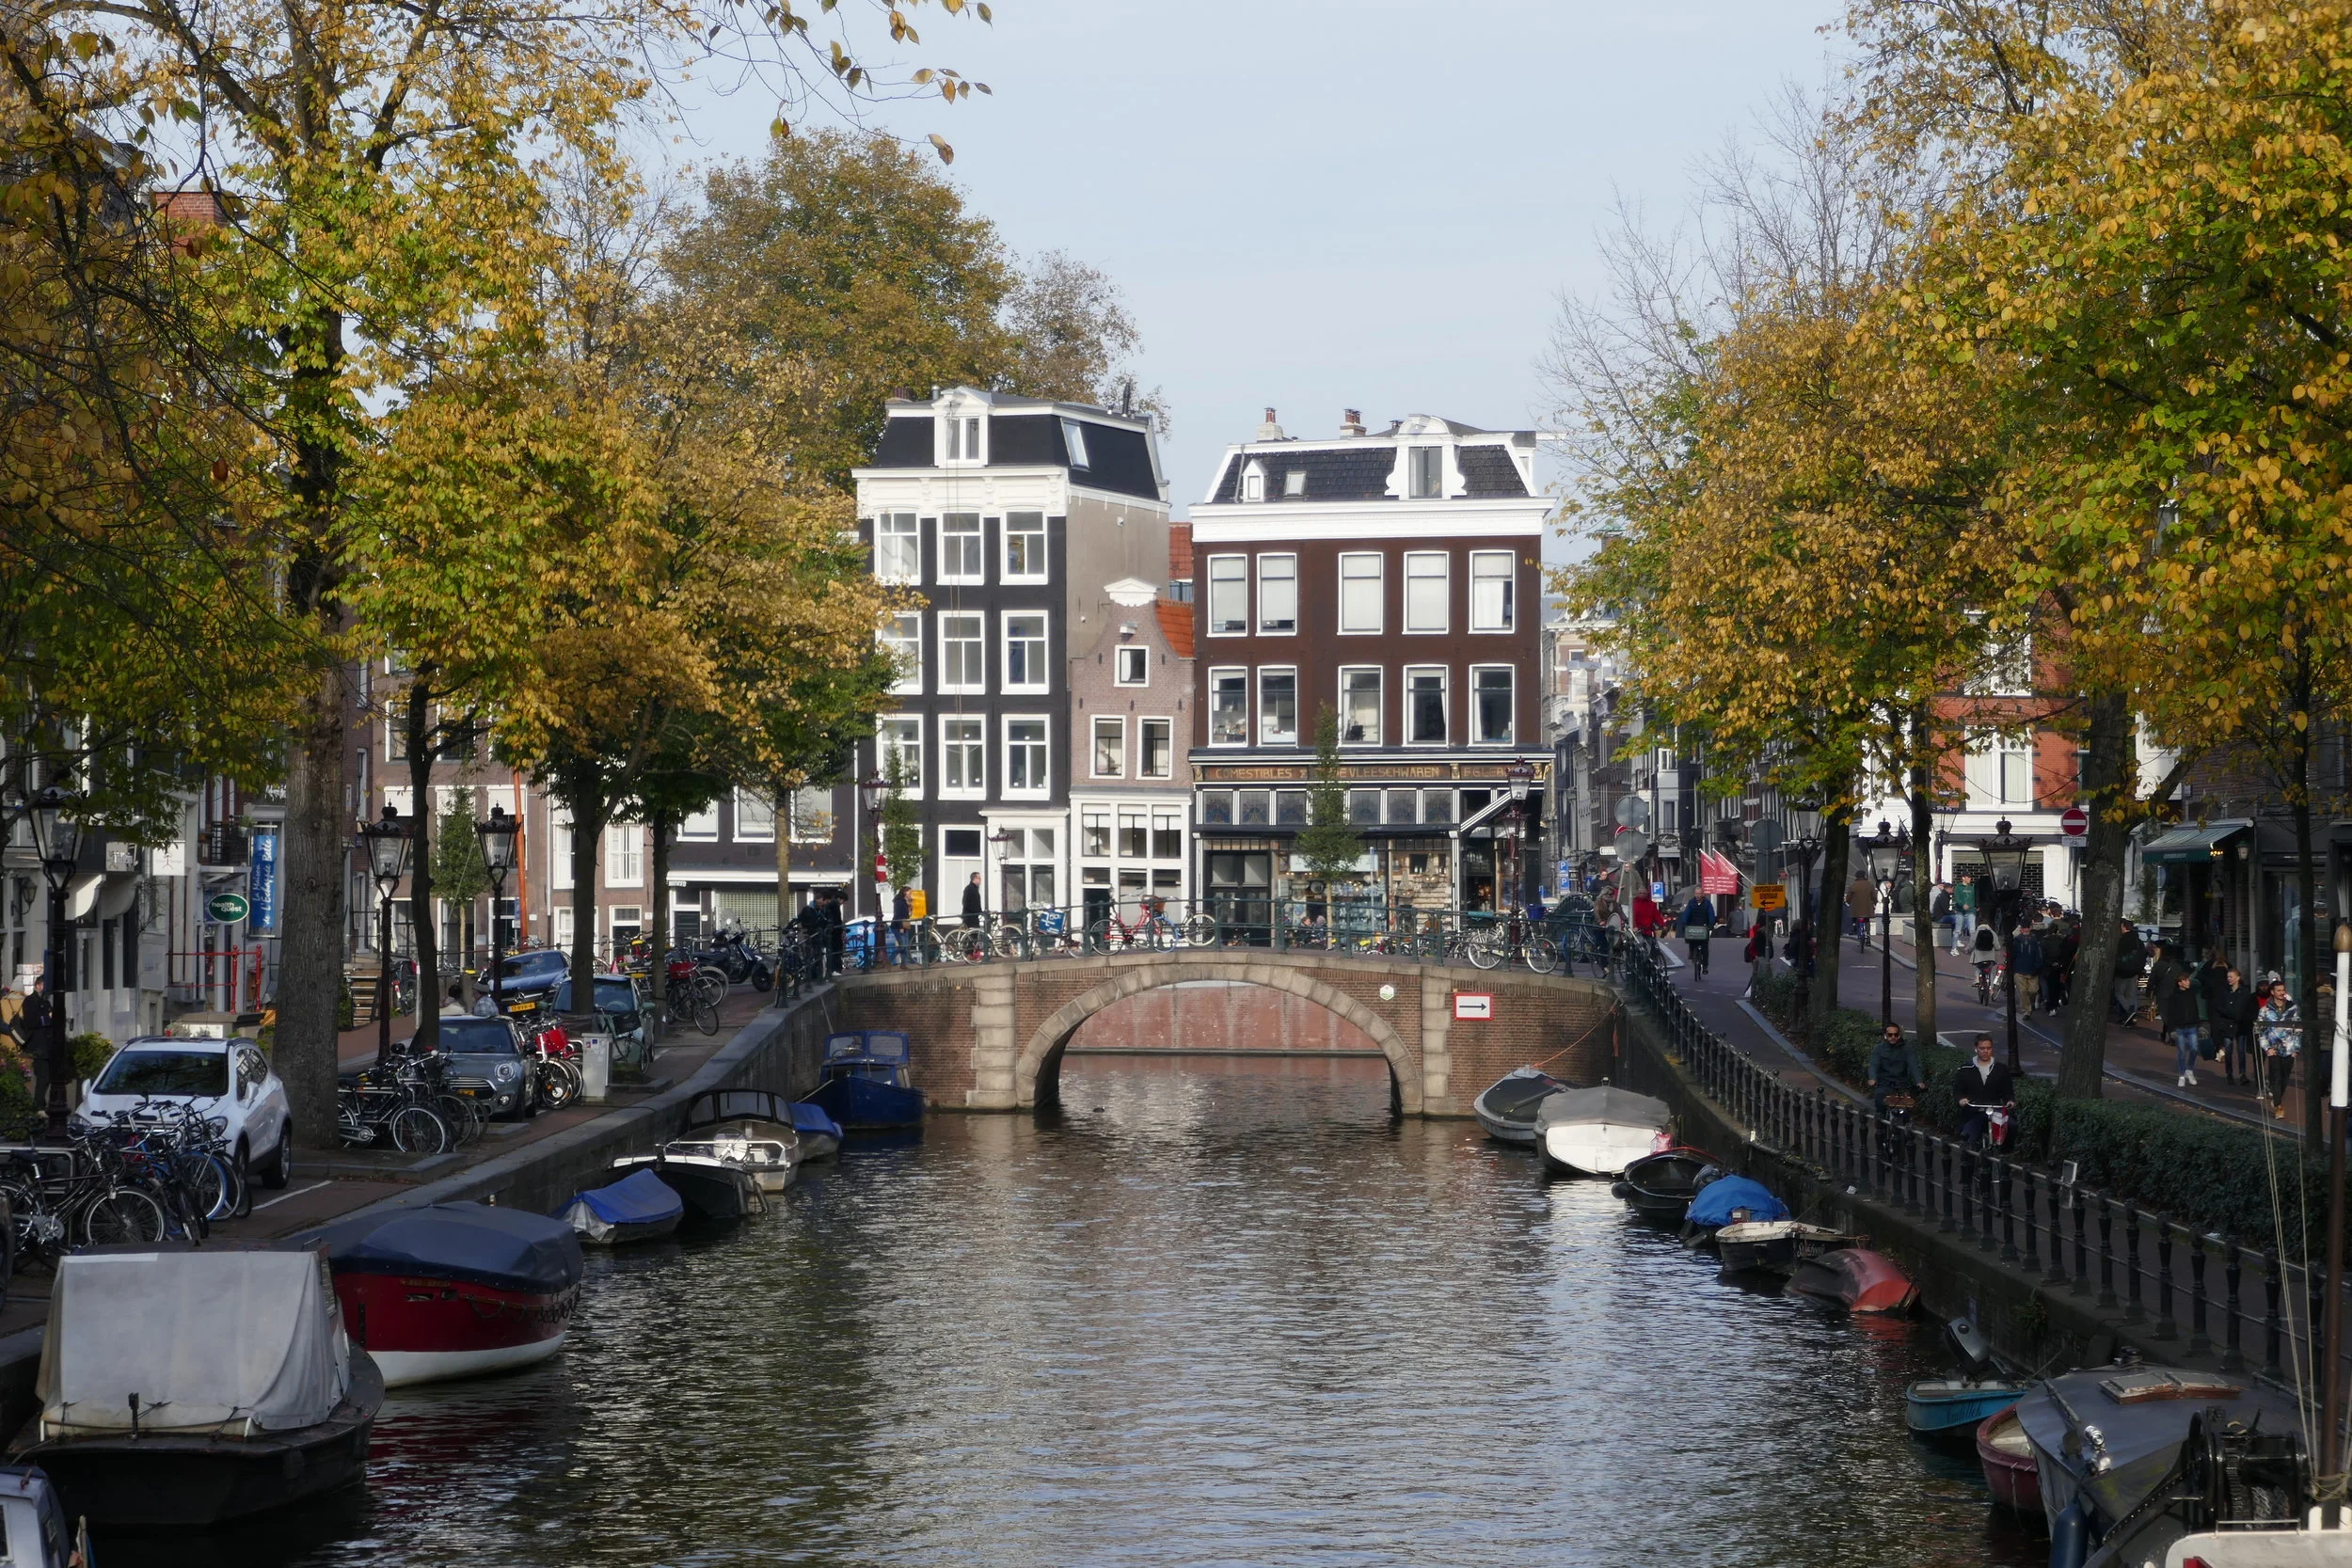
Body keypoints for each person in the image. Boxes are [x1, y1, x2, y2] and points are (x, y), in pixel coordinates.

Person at [1952, 1034, 2017, 1148]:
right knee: (1968, 1138)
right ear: (1975, 1049)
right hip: (1973, 1112)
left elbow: (2008, 1091)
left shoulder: (2001, 1069)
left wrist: (2010, 1101)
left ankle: (2004, 1157)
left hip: (1995, 1111)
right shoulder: (1965, 1069)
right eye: (1982, 1048)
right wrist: (1961, 1100)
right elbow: (1957, 1090)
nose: (1985, 1051)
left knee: (2012, 1126)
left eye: (1988, 1048)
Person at [2258, 977, 2301, 1117]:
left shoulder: (2292, 1008)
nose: (2282, 993)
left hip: (2289, 1048)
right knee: (2275, 1076)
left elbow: (2298, 1029)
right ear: (2272, 992)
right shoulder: (2264, 1011)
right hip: (2273, 1048)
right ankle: (2278, 1106)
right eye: (2279, 990)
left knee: (2285, 1077)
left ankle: (2277, 1099)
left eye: (2283, 990)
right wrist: (2267, 1048)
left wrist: (2296, 1048)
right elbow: (2260, 1031)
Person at [2211, 965, 2260, 1086]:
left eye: (2231, 977)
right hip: (2227, 1024)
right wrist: (2226, 1013)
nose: (2229, 979)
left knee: (2241, 1050)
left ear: (2238, 978)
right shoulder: (2223, 991)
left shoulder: (2245, 992)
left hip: (2240, 1025)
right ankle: (2229, 1074)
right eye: (2228, 977)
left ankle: (2242, 1074)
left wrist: (2243, 1017)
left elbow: (2248, 1007)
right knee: (2228, 1050)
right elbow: (2217, 1006)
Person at [1867, 1022, 1924, 1116]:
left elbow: (1914, 1065)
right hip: (1884, 1084)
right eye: (1890, 1035)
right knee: (1880, 1103)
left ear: (1899, 1035)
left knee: (1906, 1109)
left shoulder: (1907, 1049)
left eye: (1896, 1034)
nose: (1893, 1037)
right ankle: (1881, 1128)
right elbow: (1874, 1064)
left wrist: (1919, 1081)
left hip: (1901, 1084)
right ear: (1885, 1036)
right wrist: (1872, 1078)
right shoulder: (1878, 1049)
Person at [2158, 969, 2203, 1086]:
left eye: (2188, 980)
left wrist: (2199, 1025)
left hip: (2192, 1025)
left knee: (2194, 1048)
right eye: (2185, 980)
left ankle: (2189, 1070)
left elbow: (2195, 1009)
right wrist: (2171, 1030)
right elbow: (2170, 1014)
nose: (2188, 982)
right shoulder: (2173, 997)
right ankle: (2182, 1075)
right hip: (2179, 1027)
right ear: (2180, 983)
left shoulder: (2191, 994)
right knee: (2182, 1052)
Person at [2112, 923, 2149, 1024]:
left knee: (2119, 993)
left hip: (2121, 970)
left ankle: (2130, 1011)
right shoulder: (2138, 941)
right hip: (2135, 971)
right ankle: (2131, 1018)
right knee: (2130, 994)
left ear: (2124, 927)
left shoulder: (2121, 940)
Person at [2010, 924, 2044, 1013]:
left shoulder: (2035, 941)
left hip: (2032, 970)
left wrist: (2037, 966)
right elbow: (2013, 954)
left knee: (2033, 991)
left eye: (2027, 928)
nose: (2026, 930)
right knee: (2023, 991)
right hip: (2019, 970)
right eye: (2024, 928)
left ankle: (2029, 1004)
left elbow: (2039, 955)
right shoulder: (2016, 941)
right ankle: (2027, 1011)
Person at [1679, 891, 1715, 976]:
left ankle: (1705, 967)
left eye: (1699, 894)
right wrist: (1684, 923)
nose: (1697, 895)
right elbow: (1686, 913)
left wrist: (1711, 924)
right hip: (1693, 925)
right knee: (1691, 939)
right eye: (1696, 893)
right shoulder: (1691, 902)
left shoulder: (1707, 903)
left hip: (1704, 926)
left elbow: (1711, 914)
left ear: (1703, 894)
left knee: (1705, 947)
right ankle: (1691, 952)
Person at [1848, 872, 1877, 952]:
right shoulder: (1870, 885)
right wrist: (1875, 903)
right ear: (1864, 876)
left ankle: (1854, 927)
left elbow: (1848, 898)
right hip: (1867, 908)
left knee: (1855, 917)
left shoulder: (1853, 885)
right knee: (1867, 920)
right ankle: (1868, 936)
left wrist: (1849, 902)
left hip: (1856, 909)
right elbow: (1874, 896)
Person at [1971, 919, 2000, 999]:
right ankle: (1991, 989)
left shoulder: (1976, 933)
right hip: (1990, 958)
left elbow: (1971, 945)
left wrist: (1968, 950)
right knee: (1990, 972)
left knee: (1977, 967)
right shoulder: (1992, 933)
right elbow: (1997, 947)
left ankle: (1977, 979)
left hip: (1979, 957)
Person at [1952, 878, 1979, 956]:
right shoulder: (1958, 887)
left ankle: (1971, 949)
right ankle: (1953, 948)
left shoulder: (1971, 888)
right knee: (1957, 930)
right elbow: (1957, 898)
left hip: (1971, 911)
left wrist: (1976, 906)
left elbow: (1974, 898)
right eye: (1968, 877)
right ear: (1963, 878)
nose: (1970, 879)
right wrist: (1962, 904)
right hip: (1960, 911)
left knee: (1972, 931)